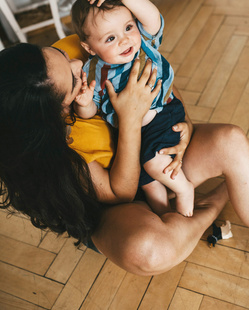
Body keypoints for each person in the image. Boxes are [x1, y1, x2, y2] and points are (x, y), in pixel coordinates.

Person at [1, 42, 249, 276]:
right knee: (148, 251)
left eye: (62, 56)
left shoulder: (74, 52)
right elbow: (122, 193)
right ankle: (214, 202)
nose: (78, 63)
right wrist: (130, 117)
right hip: (117, 207)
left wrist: (186, 128)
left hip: (156, 160)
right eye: (75, 80)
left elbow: (156, 78)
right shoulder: (54, 152)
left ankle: (189, 205)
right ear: (60, 113)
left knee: (232, 141)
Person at [71, 0, 194, 217]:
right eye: (110, 38)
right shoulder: (92, 73)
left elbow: (152, 17)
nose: (125, 39)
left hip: (161, 115)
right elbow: (92, 112)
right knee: (147, 185)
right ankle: (165, 217)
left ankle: (185, 191)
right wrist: (85, 103)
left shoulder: (144, 43)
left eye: (128, 27)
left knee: (155, 165)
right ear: (90, 48)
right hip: (131, 134)